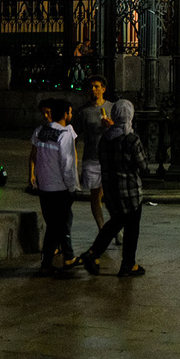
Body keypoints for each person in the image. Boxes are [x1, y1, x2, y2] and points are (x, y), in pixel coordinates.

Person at [76, 100, 149, 277]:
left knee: (115, 222)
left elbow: (102, 160)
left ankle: (93, 253)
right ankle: (128, 264)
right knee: (132, 227)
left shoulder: (105, 139)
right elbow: (143, 165)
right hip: (130, 192)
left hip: (110, 189)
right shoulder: (132, 139)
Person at [31, 99, 80, 276]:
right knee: (56, 227)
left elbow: (37, 157)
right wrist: (72, 186)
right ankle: (49, 263)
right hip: (59, 187)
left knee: (54, 224)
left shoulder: (41, 131)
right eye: (70, 112)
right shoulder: (64, 134)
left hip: (44, 186)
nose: (71, 115)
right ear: (65, 114)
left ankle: (67, 256)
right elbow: (67, 164)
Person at [75, 76, 112, 237]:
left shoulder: (111, 108)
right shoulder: (83, 112)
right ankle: (102, 227)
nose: (93, 90)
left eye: (97, 86)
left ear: (103, 89)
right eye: (91, 87)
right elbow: (74, 136)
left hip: (109, 157)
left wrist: (110, 125)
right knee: (95, 194)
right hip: (91, 157)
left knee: (109, 193)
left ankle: (114, 227)